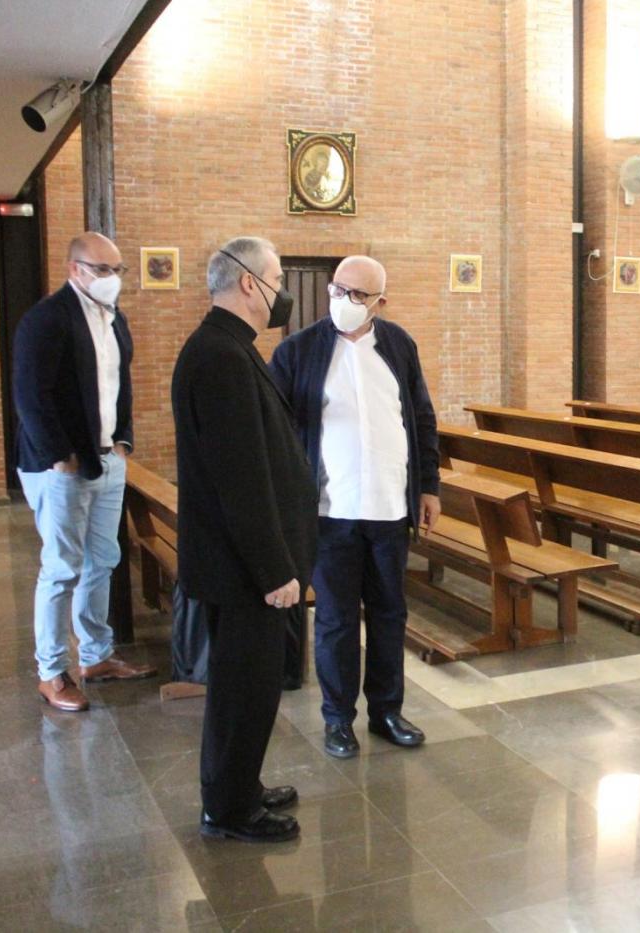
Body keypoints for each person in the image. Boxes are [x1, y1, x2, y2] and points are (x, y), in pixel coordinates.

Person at [172, 236, 319, 843]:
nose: (282, 290)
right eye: (278, 277)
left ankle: (240, 785)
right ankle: (229, 809)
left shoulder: (229, 348)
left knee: (252, 687)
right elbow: (242, 479)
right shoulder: (220, 357)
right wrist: (274, 570)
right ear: (247, 283)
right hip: (244, 571)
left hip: (244, 566)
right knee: (241, 689)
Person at [270, 255, 440, 760]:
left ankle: (387, 711)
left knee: (389, 615)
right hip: (330, 511)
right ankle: (338, 719)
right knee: (337, 621)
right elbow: (278, 432)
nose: (344, 300)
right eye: (338, 290)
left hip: (390, 509)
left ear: (380, 303)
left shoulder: (398, 346)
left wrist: (427, 487)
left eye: (358, 295)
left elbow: (422, 420)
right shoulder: (298, 351)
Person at [12, 231, 156, 712]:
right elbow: (31, 395)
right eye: (103, 270)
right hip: (62, 465)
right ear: (75, 269)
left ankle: (95, 656)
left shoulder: (115, 320)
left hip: (106, 457)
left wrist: (122, 442)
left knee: (104, 560)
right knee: (61, 569)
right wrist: (59, 455)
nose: (113, 279)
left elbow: (120, 386)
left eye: (119, 271)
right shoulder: (46, 319)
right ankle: (51, 671)